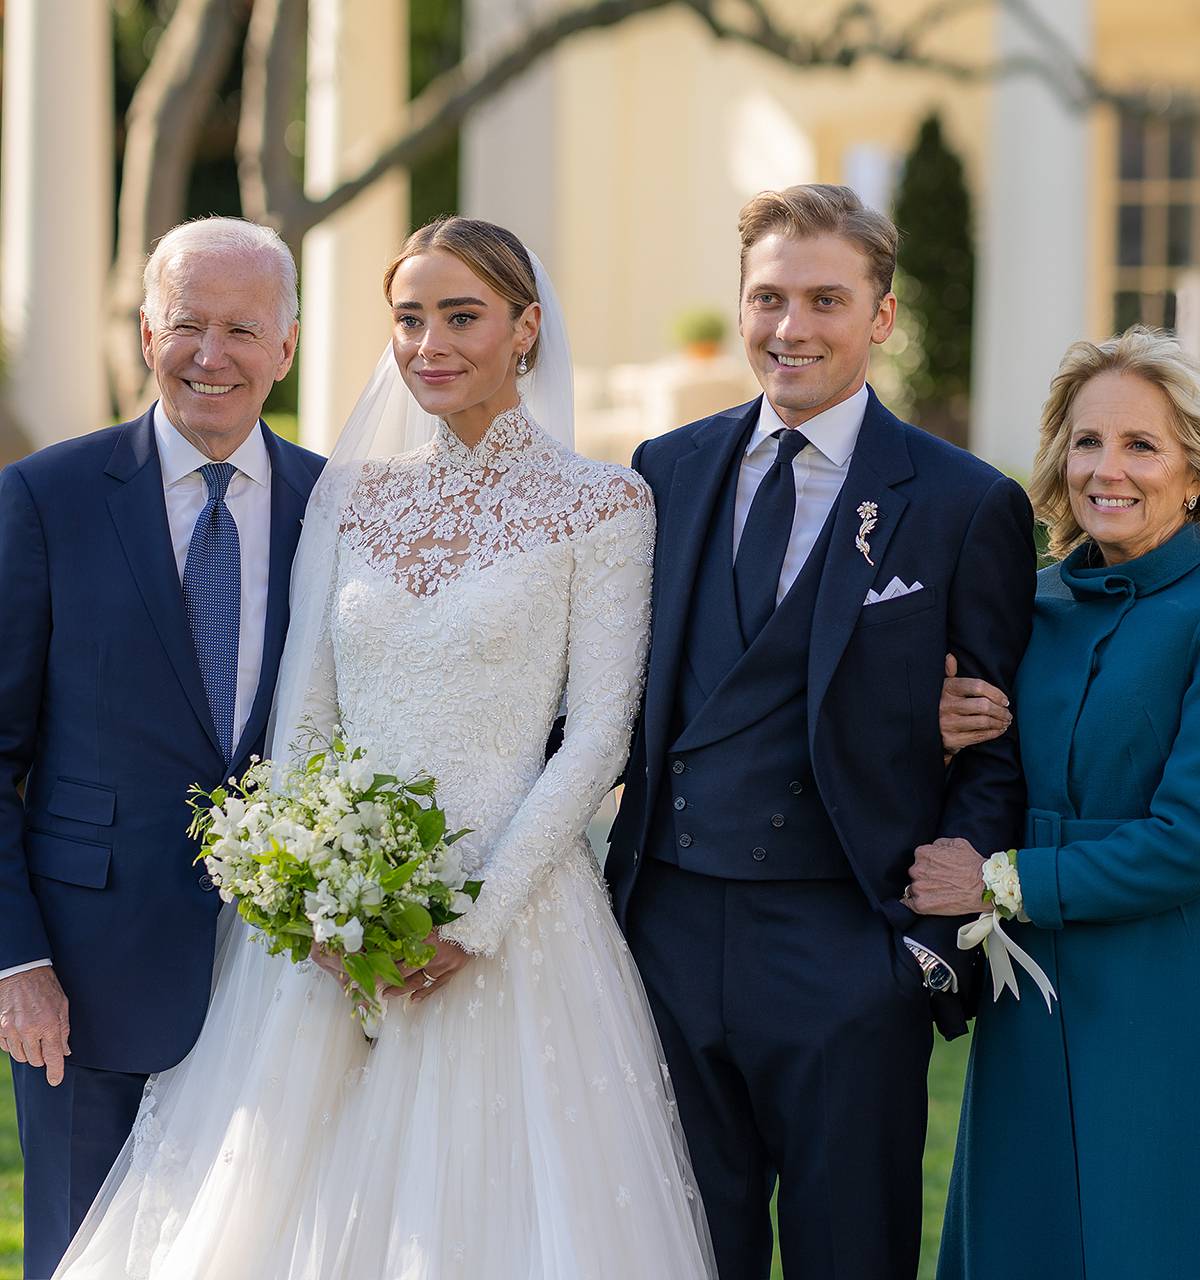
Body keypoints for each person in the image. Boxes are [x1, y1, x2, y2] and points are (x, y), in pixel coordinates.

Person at [52, 216, 716, 1279]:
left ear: (525, 328)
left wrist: (477, 915)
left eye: (461, 315)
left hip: (515, 924)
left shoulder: (603, 503)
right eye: (408, 317)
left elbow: (598, 733)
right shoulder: (349, 497)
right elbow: (304, 725)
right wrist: (310, 894)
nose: (427, 343)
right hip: (325, 934)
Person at [604, 183, 1037, 1280]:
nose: (789, 327)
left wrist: (919, 950)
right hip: (662, 928)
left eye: (824, 299)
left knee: (852, 1253)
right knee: (683, 1249)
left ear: (879, 317)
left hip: (845, 940)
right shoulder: (665, 470)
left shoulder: (959, 501)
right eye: (767, 298)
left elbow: (994, 749)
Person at [911, 327, 1200, 1279]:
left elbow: (1195, 841)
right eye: (1086, 441)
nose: (1105, 469)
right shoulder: (1026, 604)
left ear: (1195, 472)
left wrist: (999, 878)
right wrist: (947, 729)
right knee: (1025, 1234)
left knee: (1163, 1236)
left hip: (1174, 980)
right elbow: (990, 778)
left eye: (1141, 444)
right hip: (1034, 981)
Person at [0, 217, 324, 1279]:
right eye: (187, 324)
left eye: (243, 329)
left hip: (290, 982)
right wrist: (18, 960)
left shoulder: (341, 508)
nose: (211, 355)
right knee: (84, 1253)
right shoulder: (45, 497)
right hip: (87, 975)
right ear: (147, 333)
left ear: (286, 345)